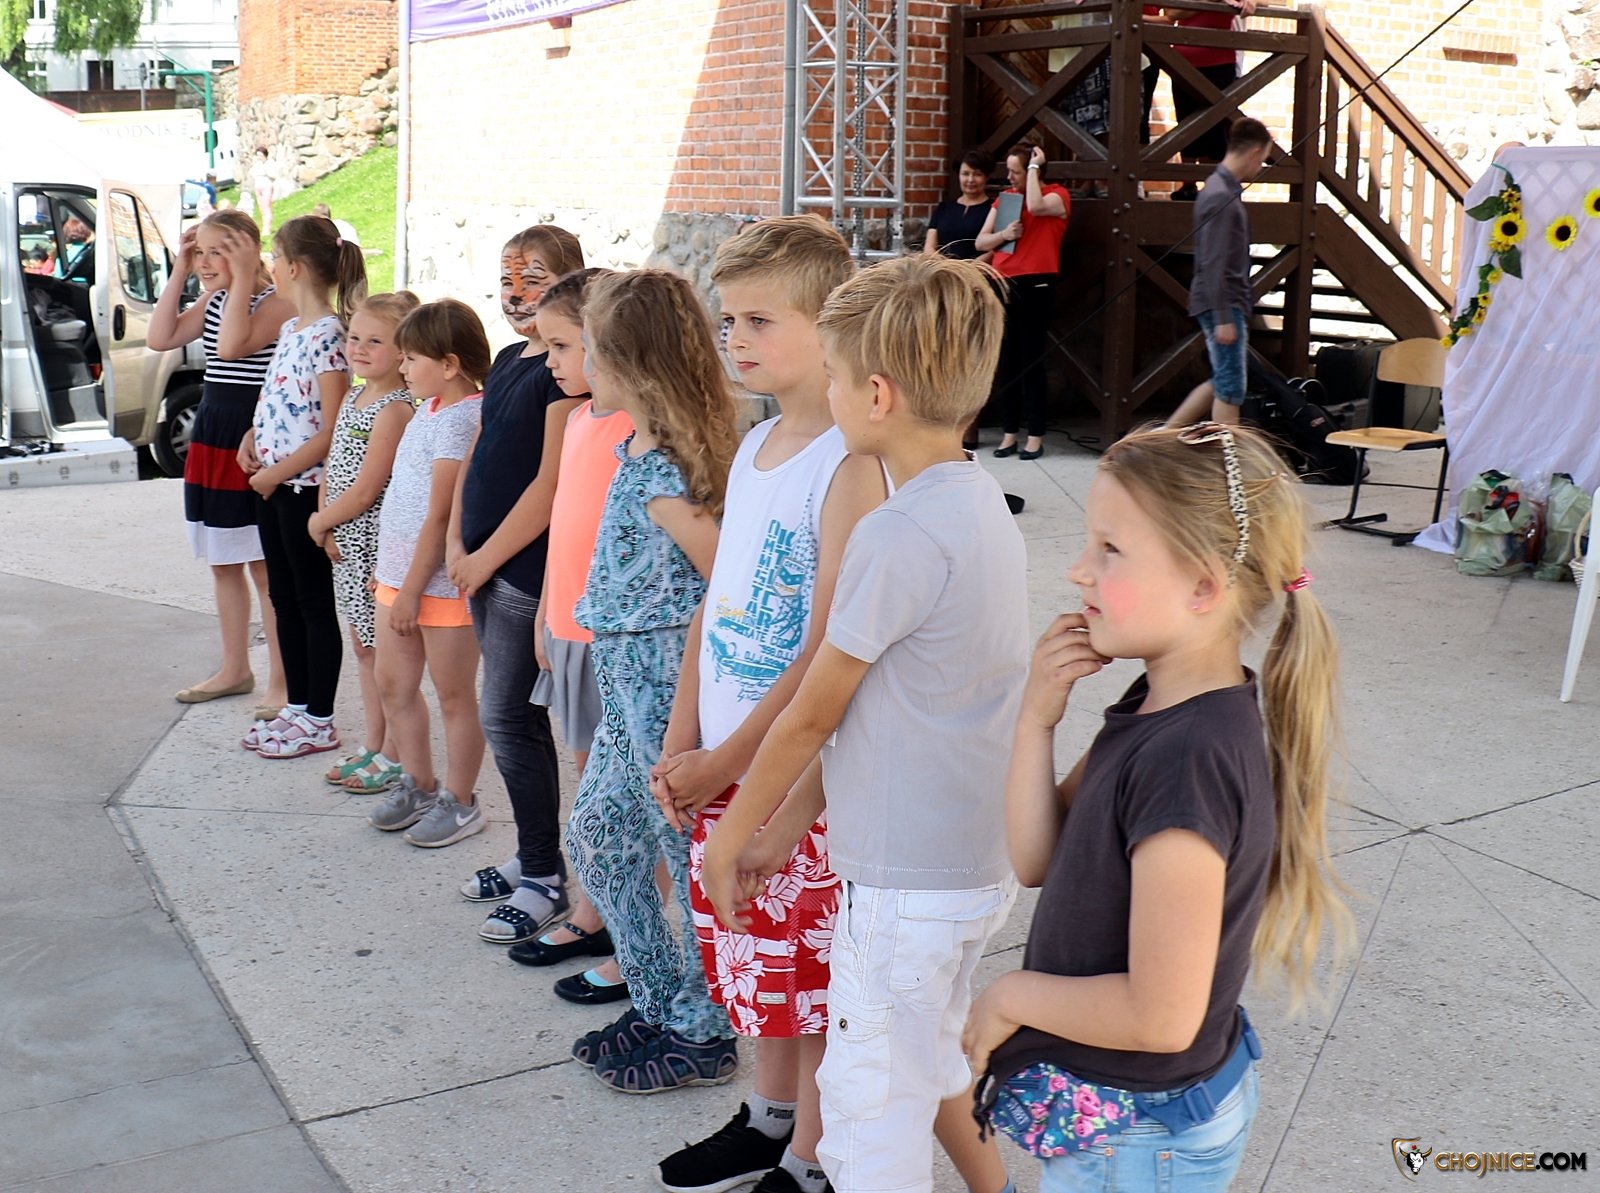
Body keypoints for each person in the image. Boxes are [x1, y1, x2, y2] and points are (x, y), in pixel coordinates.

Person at [701, 253, 1026, 1193]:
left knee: (866, 1122)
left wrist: (731, 833)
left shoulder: (896, 532)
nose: (834, 393)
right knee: (926, 1058)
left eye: (838, 376)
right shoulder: (976, 501)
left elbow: (815, 712)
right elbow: (876, 712)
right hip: (968, 867)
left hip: (901, 883)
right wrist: (786, 830)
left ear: (876, 394)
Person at [963, 421, 1350, 1193]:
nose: (1078, 569)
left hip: (1138, 1140)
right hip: (1130, 1127)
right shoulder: (1160, 701)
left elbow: (1163, 1014)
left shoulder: (1186, 760)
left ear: (1203, 586)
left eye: (1110, 549)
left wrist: (1009, 995)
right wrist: (1036, 718)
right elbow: (1038, 859)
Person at [651, 216, 884, 1193]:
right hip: (724, 756)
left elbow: (829, 646)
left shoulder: (850, 464)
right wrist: (683, 740)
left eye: (759, 319)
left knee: (810, 972)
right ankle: (769, 1114)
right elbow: (721, 601)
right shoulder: (753, 446)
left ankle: (811, 1156)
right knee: (755, 954)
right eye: (728, 319)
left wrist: (731, 758)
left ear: (828, 327)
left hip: (792, 769)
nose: (734, 339)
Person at [562, 269, 741, 1094]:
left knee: (678, 843)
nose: (583, 364)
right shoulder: (632, 447)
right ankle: (662, 995)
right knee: (598, 834)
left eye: (592, 349)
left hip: (665, 683)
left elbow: (724, 586)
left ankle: (703, 1026)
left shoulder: (668, 473)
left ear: (631, 362)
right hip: (623, 675)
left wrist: (690, 721)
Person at [443, 225, 586, 941]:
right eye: (508, 278)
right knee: (508, 718)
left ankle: (544, 877)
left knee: (508, 718)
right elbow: (478, 453)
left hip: (521, 573)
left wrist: (486, 557)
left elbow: (548, 488)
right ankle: (538, 853)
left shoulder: (561, 379)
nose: (517, 291)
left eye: (535, 277)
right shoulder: (508, 359)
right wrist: (455, 542)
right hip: (480, 564)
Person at [502, 267, 634, 1005]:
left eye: (562, 345)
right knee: (589, 788)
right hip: (567, 630)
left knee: (618, 794)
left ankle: (625, 926)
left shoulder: (636, 427)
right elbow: (564, 528)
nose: (549, 359)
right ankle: (592, 911)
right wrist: (546, 614)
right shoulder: (576, 419)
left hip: (611, 638)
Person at [148, 210, 295, 721]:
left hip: (251, 435)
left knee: (265, 566)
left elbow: (234, 347)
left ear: (248, 251)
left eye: (218, 251)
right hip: (213, 432)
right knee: (223, 560)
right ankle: (235, 668)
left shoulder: (276, 303)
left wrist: (244, 276)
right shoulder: (214, 298)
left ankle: (282, 680)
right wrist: (179, 271)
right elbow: (160, 337)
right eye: (200, 252)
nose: (205, 262)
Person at [235, 214, 367, 757]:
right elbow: (280, 400)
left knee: (312, 601)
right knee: (283, 597)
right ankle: (296, 705)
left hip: (301, 489)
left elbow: (332, 427)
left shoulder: (330, 335)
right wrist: (252, 436)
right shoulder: (292, 329)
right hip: (271, 486)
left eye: (273, 257)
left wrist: (275, 472)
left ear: (293, 268)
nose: (269, 266)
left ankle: (320, 718)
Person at [364, 300, 491, 847]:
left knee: (454, 695)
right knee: (392, 683)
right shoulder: (430, 409)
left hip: (436, 588)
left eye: (412, 358)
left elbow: (440, 515)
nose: (402, 366)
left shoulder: (463, 419)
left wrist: (413, 589)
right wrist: (392, 577)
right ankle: (418, 782)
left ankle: (460, 801)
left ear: (450, 363)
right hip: (398, 580)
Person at [306, 291, 420, 793]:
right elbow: (333, 464)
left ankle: (395, 750)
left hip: (374, 545)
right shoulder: (353, 396)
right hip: (344, 541)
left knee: (383, 653)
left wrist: (319, 522)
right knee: (363, 647)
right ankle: (374, 743)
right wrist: (326, 521)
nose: (359, 348)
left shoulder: (395, 410)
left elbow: (368, 488)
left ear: (402, 351)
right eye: (354, 337)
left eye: (375, 341)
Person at [1167, 118, 1272, 428]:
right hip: (1223, 302)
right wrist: (1224, 316)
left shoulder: (1220, 189)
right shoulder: (1220, 195)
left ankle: (1161, 438)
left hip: (1224, 300)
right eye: (1263, 160)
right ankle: (1230, 455)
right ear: (1255, 152)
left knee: (1222, 381)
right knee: (1230, 388)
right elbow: (1212, 261)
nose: (1260, 168)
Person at [975, 144, 1071, 461]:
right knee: (1008, 360)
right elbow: (982, 241)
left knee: (1032, 359)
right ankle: (1009, 432)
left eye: (1016, 171)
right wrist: (1004, 234)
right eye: (1010, 170)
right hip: (1005, 280)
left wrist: (1033, 168)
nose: (1010, 176)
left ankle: (1035, 435)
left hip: (1037, 281)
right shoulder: (1006, 199)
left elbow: (1036, 205)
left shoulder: (1056, 196)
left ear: (1034, 171)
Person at [1166, 0, 1256, 201]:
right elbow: (1172, 12)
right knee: (1186, 121)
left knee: (1216, 126)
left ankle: (1215, 185)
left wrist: (1253, 2)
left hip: (1220, 60)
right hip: (1183, 60)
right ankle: (1188, 184)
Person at [925, 150, 995, 262]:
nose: (970, 180)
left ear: (986, 177)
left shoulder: (994, 209)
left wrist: (967, 269)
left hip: (976, 270)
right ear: (958, 175)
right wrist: (946, 266)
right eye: (965, 174)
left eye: (977, 174)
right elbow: (929, 247)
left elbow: (995, 250)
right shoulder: (944, 208)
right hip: (941, 269)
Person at [251, 148, 276, 236]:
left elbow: (273, 175)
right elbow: (252, 173)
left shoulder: (269, 163)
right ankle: (264, 228)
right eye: (257, 155)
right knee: (262, 209)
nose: (259, 157)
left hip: (266, 187)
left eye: (260, 155)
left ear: (265, 155)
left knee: (266, 208)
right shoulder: (257, 165)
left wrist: (266, 169)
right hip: (258, 187)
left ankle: (267, 229)